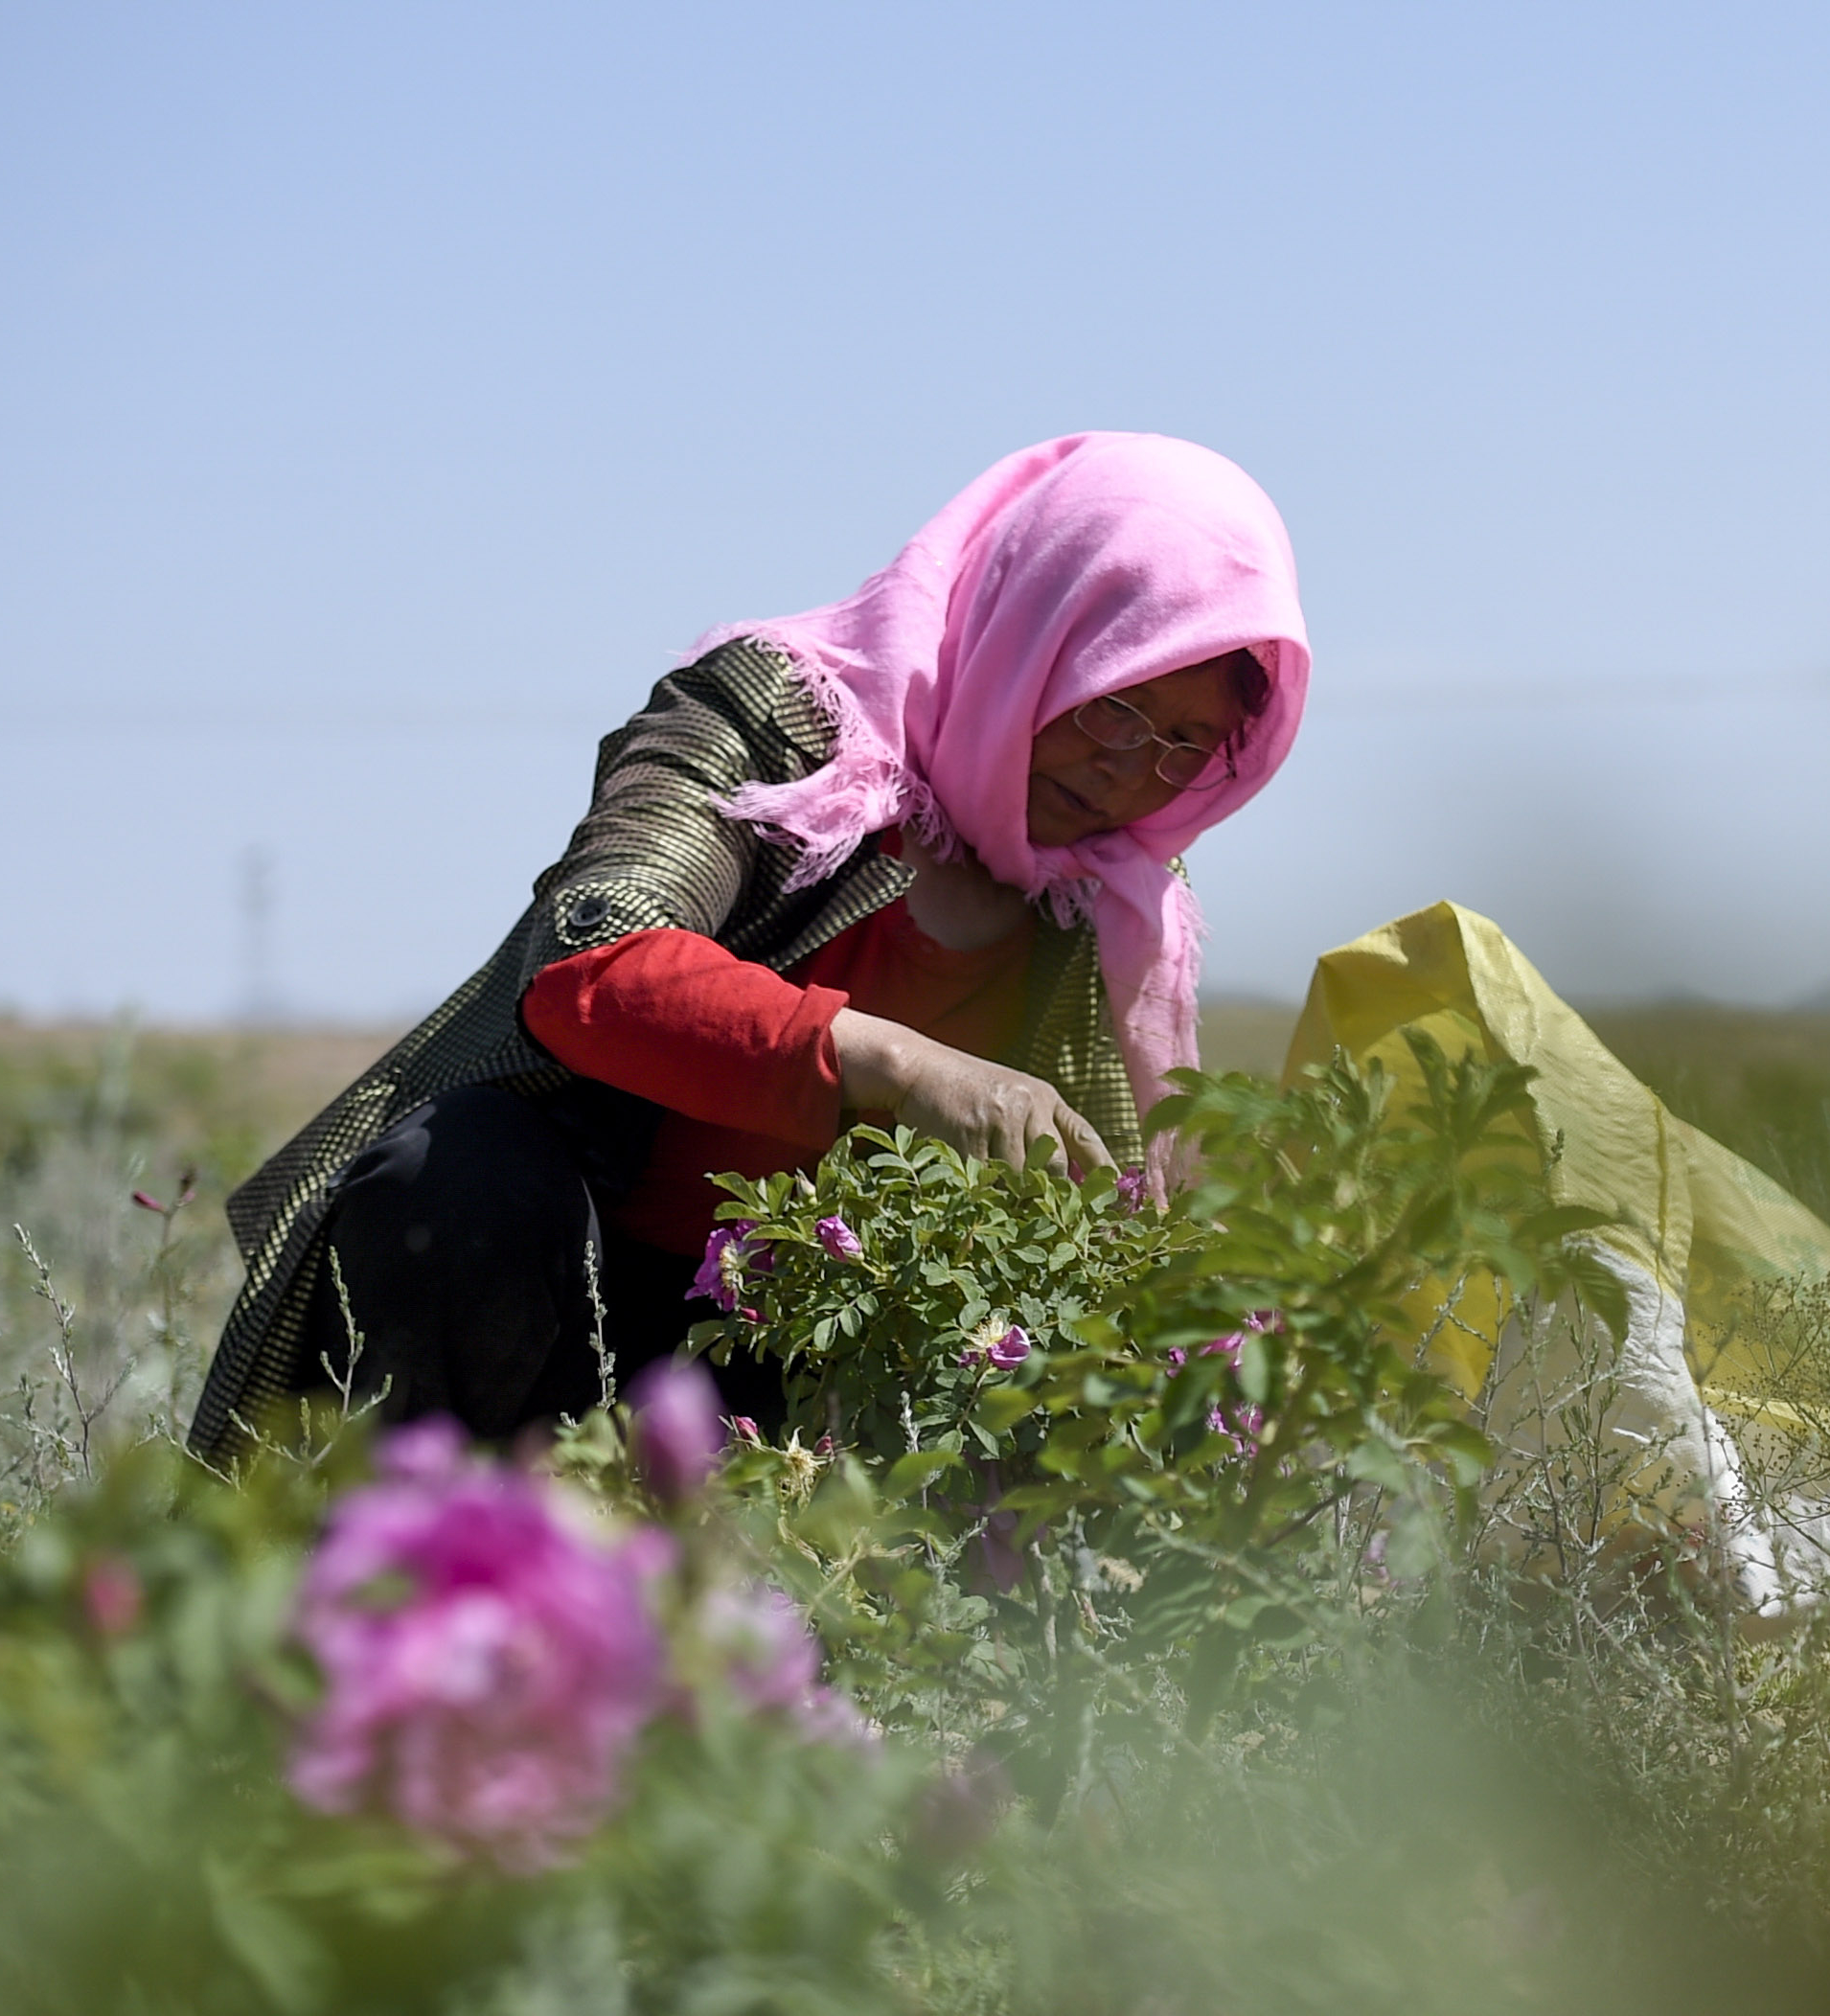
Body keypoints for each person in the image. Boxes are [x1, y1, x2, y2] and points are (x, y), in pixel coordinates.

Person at [191, 432, 1311, 1461]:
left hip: (807, 1390)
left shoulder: (1105, 903)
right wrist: (909, 1067)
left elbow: (1111, 1223)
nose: (1132, 770)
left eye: (1183, 743)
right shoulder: (776, 720)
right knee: (468, 1168)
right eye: (1115, 703)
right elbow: (594, 960)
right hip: (553, 1306)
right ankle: (400, 1586)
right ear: (1038, 628)